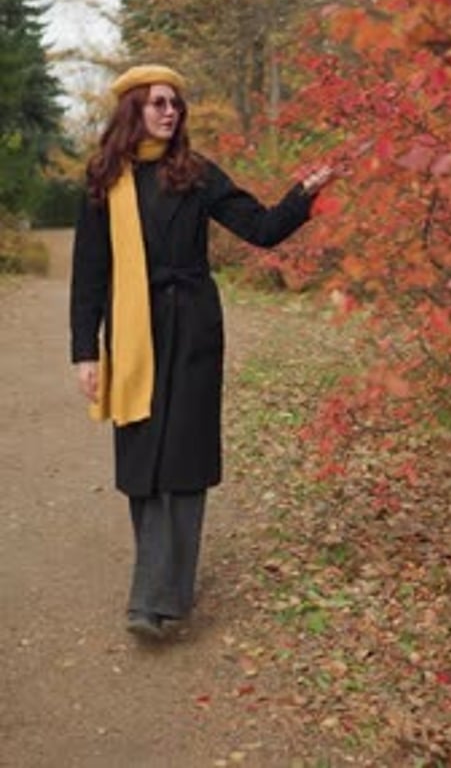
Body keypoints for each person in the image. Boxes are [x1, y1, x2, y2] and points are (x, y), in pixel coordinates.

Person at [70, 63, 340, 641]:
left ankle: (156, 601)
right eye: (159, 102)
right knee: (143, 460)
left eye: (176, 104)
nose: (170, 112)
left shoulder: (196, 173)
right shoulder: (104, 179)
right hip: (135, 334)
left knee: (184, 460)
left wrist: (304, 193)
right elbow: (88, 273)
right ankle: (158, 590)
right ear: (134, 109)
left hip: (193, 327)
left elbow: (262, 228)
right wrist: (84, 351)